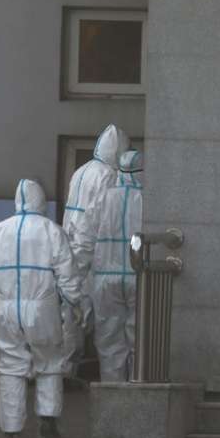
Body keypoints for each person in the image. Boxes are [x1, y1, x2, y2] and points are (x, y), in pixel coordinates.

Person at [0, 179, 83, 438]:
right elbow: (67, 275)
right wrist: (74, 303)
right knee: (49, 363)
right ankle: (47, 423)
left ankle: (11, 429)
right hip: (42, 309)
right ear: (41, 202)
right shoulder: (51, 231)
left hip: (7, 309)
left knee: (10, 367)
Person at [61, 124, 130, 377]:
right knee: (102, 322)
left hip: (72, 250)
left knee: (71, 312)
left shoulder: (81, 171)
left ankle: (67, 369)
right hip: (95, 255)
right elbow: (98, 219)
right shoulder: (109, 176)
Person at [74, 150, 143, 381]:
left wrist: (74, 284)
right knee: (141, 343)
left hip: (105, 281)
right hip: (140, 278)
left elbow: (84, 241)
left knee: (109, 345)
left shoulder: (102, 199)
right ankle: (138, 395)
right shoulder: (151, 199)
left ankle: (113, 401)